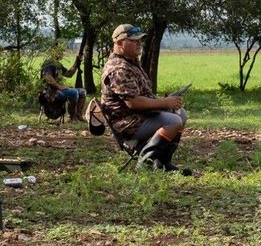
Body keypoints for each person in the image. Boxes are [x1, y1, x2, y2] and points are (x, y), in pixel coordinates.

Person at [98, 23, 187, 171]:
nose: (139, 43)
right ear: (120, 43)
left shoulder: (131, 63)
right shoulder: (119, 68)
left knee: (181, 113)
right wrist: (164, 103)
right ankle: (144, 163)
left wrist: (163, 101)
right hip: (127, 122)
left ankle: (163, 164)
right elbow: (134, 103)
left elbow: (142, 95)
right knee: (174, 121)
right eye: (134, 40)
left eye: (140, 40)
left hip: (139, 116)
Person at [39, 46, 86, 123]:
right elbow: (48, 77)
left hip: (57, 90)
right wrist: (59, 87)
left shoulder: (58, 64)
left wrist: (76, 63)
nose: (62, 54)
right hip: (50, 92)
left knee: (82, 92)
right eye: (60, 52)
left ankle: (78, 115)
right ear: (54, 53)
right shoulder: (49, 64)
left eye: (62, 52)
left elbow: (69, 74)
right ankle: (71, 117)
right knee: (73, 92)